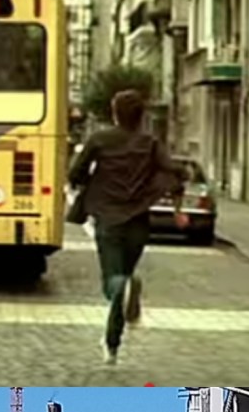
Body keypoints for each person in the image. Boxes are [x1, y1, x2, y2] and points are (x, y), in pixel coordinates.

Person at [68, 89, 187, 364]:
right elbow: (174, 171)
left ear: (114, 113)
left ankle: (123, 294)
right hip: (138, 221)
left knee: (113, 283)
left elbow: (76, 172)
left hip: (108, 219)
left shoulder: (99, 139)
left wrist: (87, 182)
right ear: (141, 115)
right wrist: (177, 209)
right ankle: (112, 344)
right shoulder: (150, 142)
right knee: (123, 288)